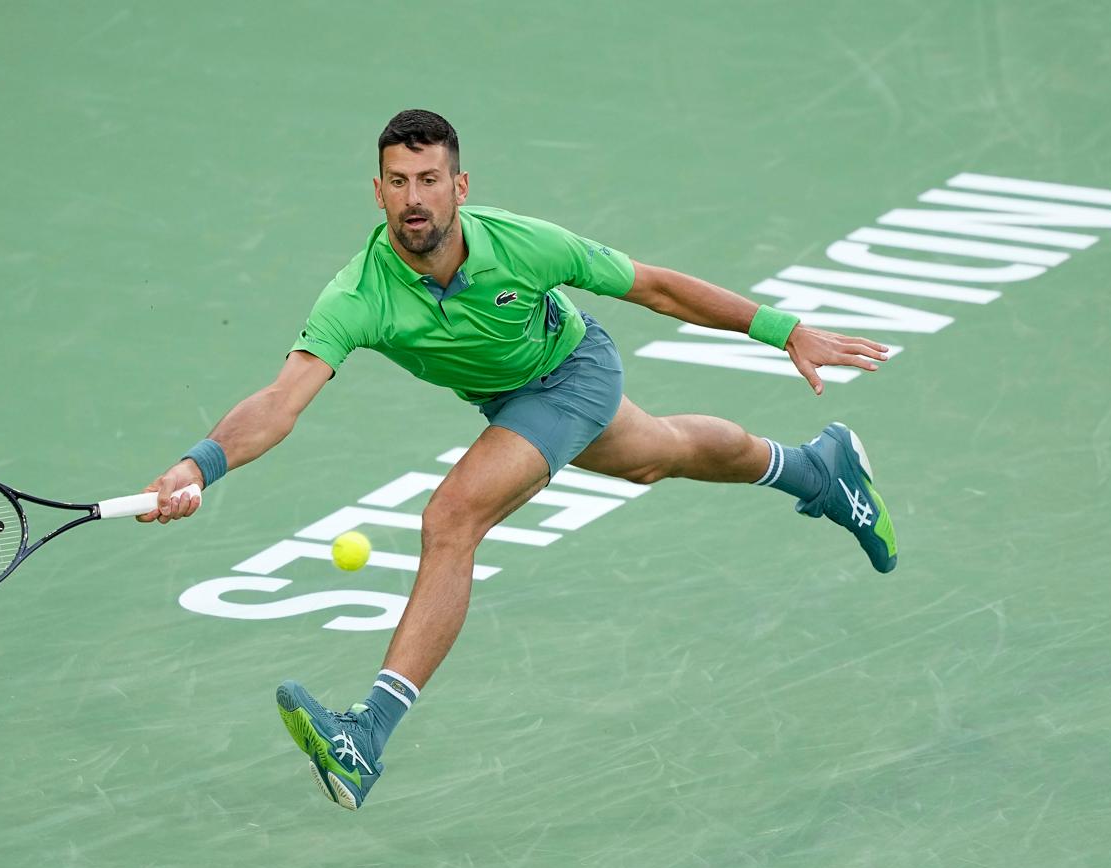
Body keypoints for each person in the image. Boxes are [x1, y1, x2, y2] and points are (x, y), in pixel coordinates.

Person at [138, 109, 897, 810]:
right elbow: (281, 399)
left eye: (430, 180)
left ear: (459, 186)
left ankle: (366, 735)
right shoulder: (357, 296)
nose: (415, 199)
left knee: (451, 518)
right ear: (377, 192)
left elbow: (658, 289)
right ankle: (819, 471)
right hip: (507, 398)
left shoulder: (522, 243)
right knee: (657, 454)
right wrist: (198, 465)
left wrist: (784, 328)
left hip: (574, 373)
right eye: (398, 182)